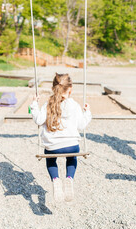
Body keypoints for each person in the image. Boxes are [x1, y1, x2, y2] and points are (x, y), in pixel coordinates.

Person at [30, 73, 92, 202]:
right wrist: (88, 113)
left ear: (53, 88)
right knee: (72, 157)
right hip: (72, 146)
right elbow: (81, 125)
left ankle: (56, 180)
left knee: (51, 158)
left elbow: (38, 120)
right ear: (70, 89)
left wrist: (34, 105)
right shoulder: (74, 105)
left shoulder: (48, 103)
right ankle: (69, 178)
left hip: (53, 147)